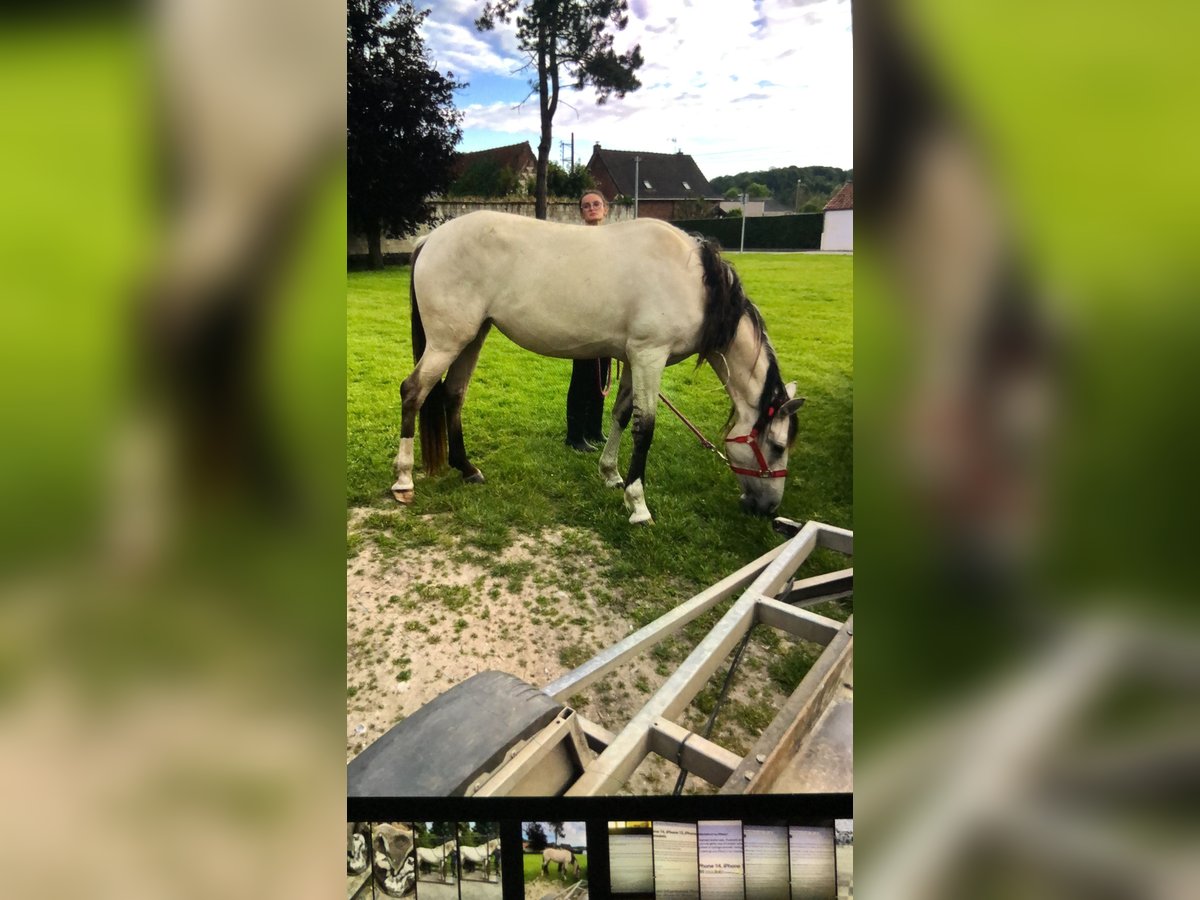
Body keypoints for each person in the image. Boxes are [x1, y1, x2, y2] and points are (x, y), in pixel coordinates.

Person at [565, 191, 613, 451]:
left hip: (607, 319)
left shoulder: (613, 241)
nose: (592, 208)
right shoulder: (578, 242)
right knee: (582, 376)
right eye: (586, 206)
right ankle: (574, 436)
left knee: (602, 376)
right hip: (585, 319)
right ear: (581, 213)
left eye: (596, 204)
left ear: (605, 209)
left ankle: (594, 429)